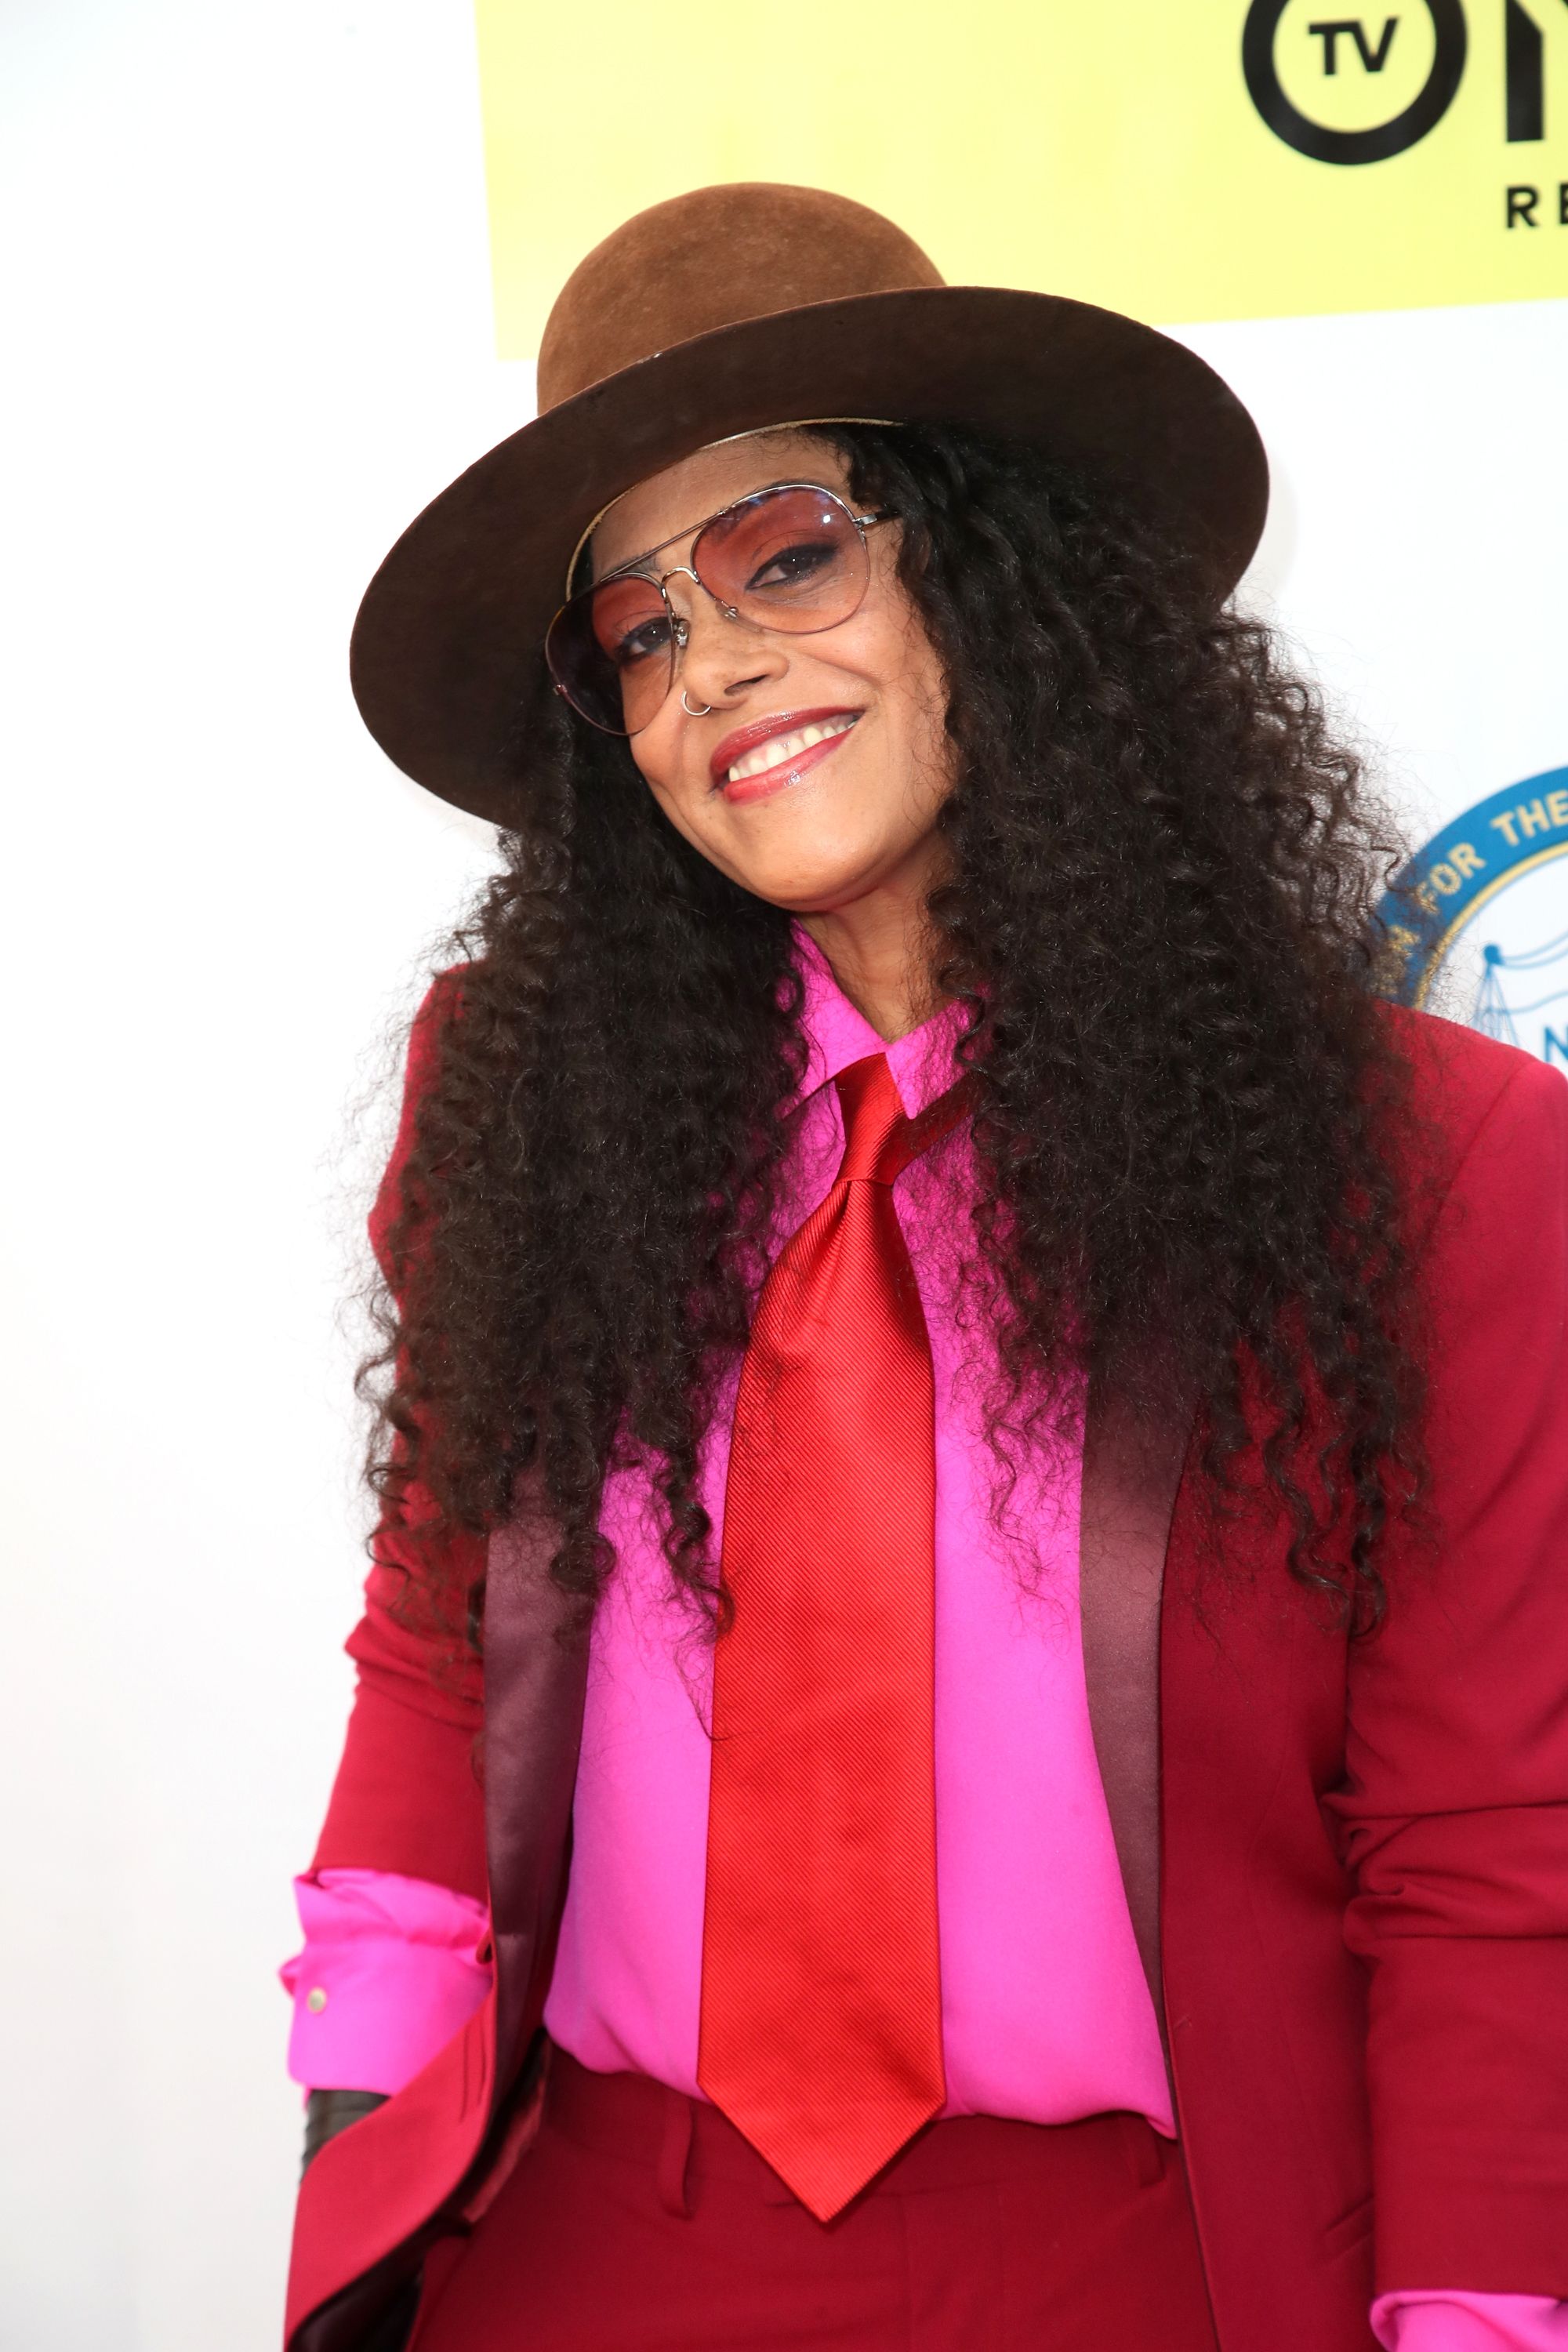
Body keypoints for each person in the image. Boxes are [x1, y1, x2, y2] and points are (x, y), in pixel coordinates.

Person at [281, 184, 1568, 2352]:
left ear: (993, 563)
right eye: (644, 628)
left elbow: (1488, 1859)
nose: (721, 665)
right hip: (595, 2243)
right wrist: (348, 2199)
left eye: (787, 549)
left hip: (1146, 2268)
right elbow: (435, 1659)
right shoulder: (518, 1104)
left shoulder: (1433, 1165)